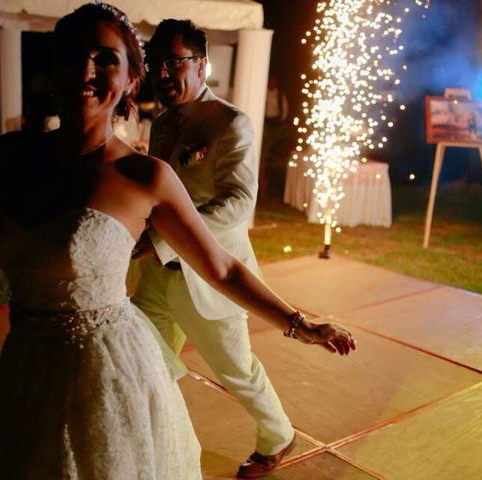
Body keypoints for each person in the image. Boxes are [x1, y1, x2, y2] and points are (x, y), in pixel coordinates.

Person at [0, 4, 356, 479]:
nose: (85, 69)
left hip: (115, 360)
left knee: (231, 368)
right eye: (72, 55)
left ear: (130, 80)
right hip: (28, 365)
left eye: (105, 58)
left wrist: (301, 325)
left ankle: (274, 435)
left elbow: (223, 257)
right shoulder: (13, 157)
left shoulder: (152, 171)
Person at [130, 20, 354, 478]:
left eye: (176, 61)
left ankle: (278, 436)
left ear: (202, 63)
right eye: (156, 63)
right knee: (143, 359)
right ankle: (157, 439)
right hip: (156, 273)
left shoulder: (231, 122)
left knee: (236, 371)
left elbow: (236, 205)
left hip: (211, 273)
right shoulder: (162, 122)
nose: (164, 72)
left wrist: (160, 239)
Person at [260, 72, 293, 199]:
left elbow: (285, 108)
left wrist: (282, 121)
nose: (271, 83)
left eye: (273, 81)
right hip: (265, 120)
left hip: (275, 122)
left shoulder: (280, 95)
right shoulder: (263, 93)